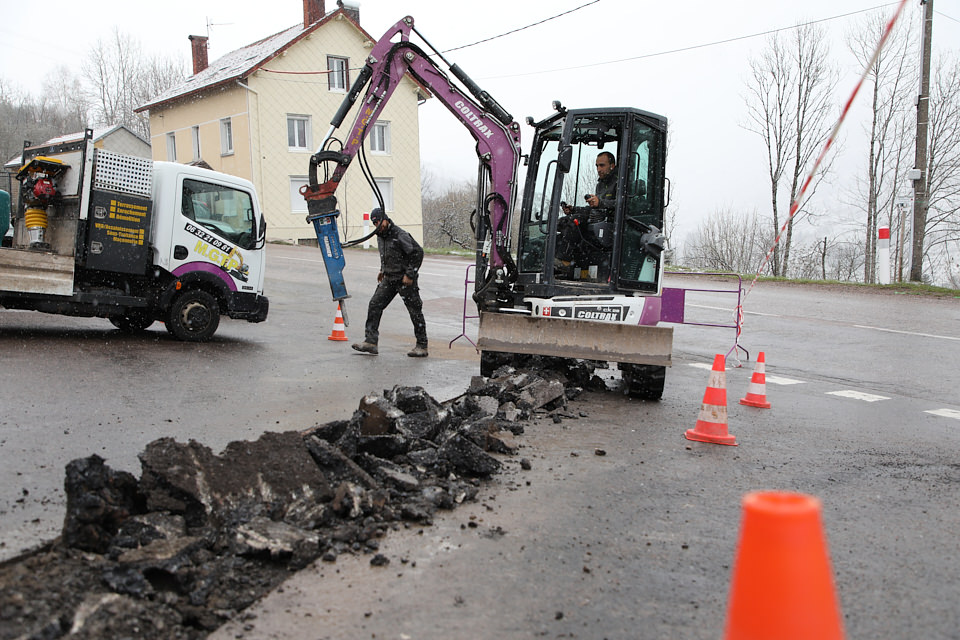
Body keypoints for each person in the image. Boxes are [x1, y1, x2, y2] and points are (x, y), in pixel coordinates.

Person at [351, 208, 429, 357]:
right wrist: (383, 269)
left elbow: (417, 253)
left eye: (378, 222)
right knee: (375, 304)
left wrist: (410, 274)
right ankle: (371, 342)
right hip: (389, 278)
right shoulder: (380, 236)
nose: (377, 225)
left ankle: (422, 346)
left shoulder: (400, 235)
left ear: (385, 219)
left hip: (405, 280)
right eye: (374, 223)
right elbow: (386, 254)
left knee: (415, 311)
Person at [556, 152, 618, 275]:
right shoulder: (600, 184)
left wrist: (601, 203)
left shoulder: (619, 182)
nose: (598, 169)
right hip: (596, 219)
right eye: (596, 166)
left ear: (612, 165)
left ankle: (566, 261)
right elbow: (592, 209)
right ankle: (558, 260)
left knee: (575, 223)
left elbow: (622, 205)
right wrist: (573, 209)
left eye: (602, 165)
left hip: (610, 224)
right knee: (563, 222)